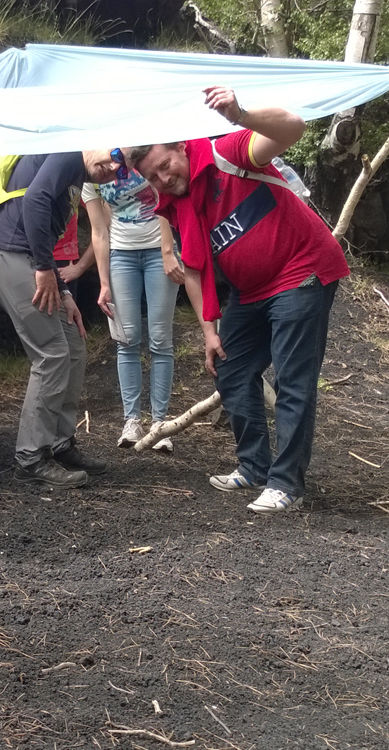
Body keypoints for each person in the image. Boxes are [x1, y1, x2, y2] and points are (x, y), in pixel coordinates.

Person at [128, 86, 349, 513]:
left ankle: (286, 485)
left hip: (302, 271)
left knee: (291, 379)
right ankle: (255, 467)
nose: (162, 180)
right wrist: (208, 330)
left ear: (179, 144)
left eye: (164, 166)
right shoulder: (178, 203)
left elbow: (293, 128)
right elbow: (193, 268)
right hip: (252, 292)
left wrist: (241, 113)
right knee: (228, 367)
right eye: (151, 178)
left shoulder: (227, 151)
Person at [0, 151, 120, 488]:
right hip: (8, 256)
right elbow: (35, 200)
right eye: (113, 154)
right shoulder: (68, 149)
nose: (113, 167)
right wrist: (43, 268)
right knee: (51, 352)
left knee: (72, 343)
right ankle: (31, 456)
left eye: (122, 168)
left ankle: (59, 442)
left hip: (25, 258)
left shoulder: (75, 173)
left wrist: (64, 293)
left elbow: (42, 230)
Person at [83, 153, 183, 452]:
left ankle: (160, 423)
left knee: (161, 338)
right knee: (126, 339)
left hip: (158, 251)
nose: (110, 163)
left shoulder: (140, 157)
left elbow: (165, 202)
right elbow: (99, 232)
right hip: (121, 255)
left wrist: (168, 250)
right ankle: (132, 421)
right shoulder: (91, 177)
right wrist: (103, 282)